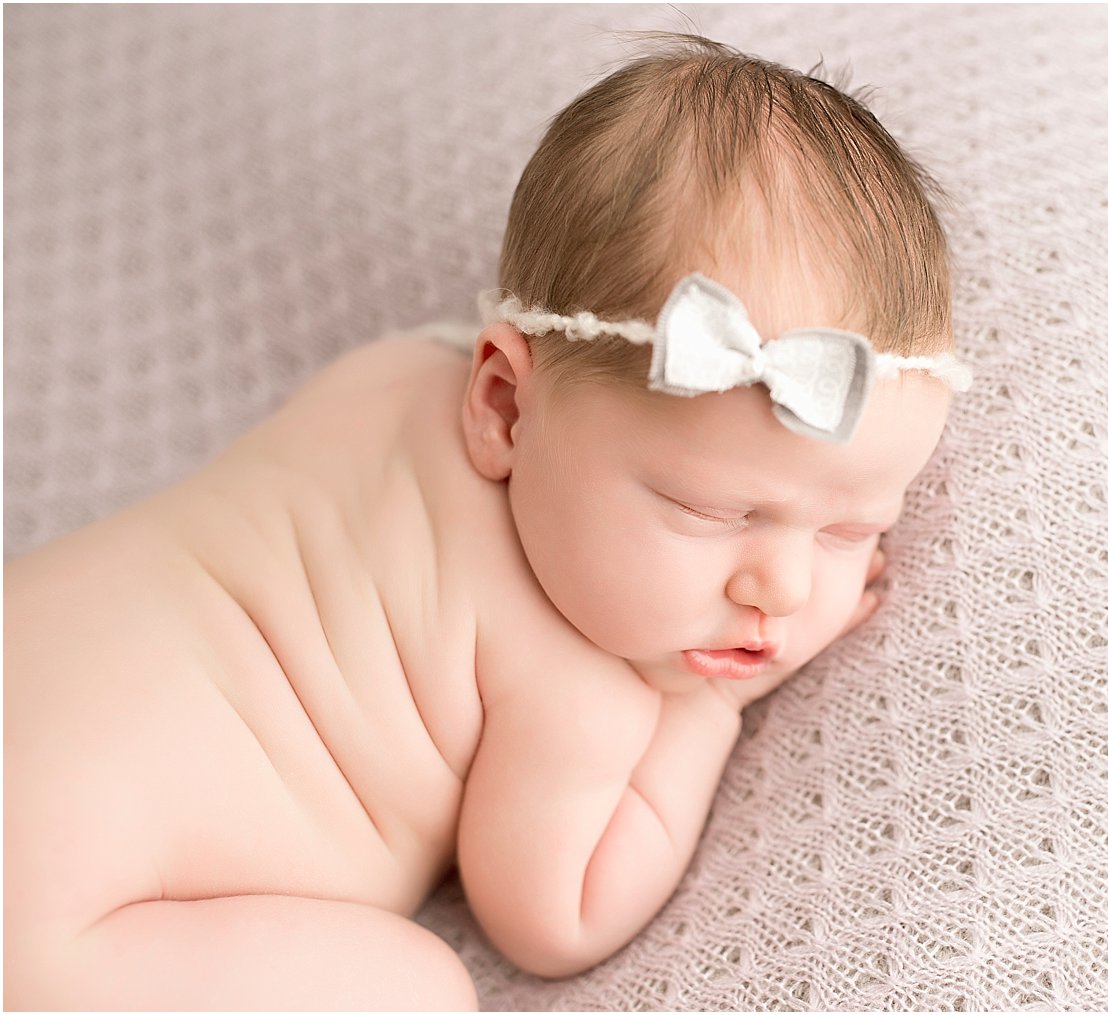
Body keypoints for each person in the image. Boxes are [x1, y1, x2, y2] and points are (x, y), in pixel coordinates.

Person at [2, 33, 970, 1010]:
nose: (782, 586)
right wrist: (702, 711)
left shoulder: (386, 374)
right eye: (711, 511)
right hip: (62, 924)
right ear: (503, 406)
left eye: (849, 530)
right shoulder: (578, 692)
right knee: (421, 988)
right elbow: (557, 921)